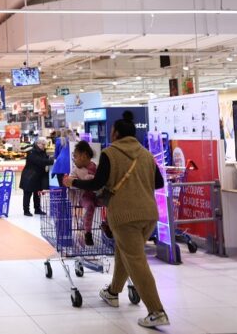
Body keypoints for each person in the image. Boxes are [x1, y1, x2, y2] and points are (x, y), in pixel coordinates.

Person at [63, 117, 168, 329]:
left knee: (136, 261)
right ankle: (113, 292)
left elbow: (97, 183)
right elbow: (158, 182)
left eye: (112, 131)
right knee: (125, 252)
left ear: (116, 134)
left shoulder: (110, 154)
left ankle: (156, 311)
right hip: (149, 214)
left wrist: (72, 181)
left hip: (125, 215)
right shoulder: (146, 155)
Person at [70, 141, 98, 246]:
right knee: (90, 207)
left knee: (110, 202)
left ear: (84, 156)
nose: (74, 159)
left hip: (97, 195)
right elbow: (70, 181)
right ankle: (88, 232)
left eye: (75, 156)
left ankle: (107, 225)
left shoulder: (96, 167)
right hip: (84, 197)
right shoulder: (75, 170)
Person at [19, 137, 52, 216]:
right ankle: (26, 210)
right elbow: (40, 161)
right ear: (38, 143)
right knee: (27, 194)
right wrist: (51, 161)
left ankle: (37, 209)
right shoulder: (32, 152)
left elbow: (44, 160)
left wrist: (49, 160)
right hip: (29, 176)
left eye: (45, 144)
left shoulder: (42, 151)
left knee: (37, 194)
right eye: (43, 144)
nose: (44, 146)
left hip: (37, 176)